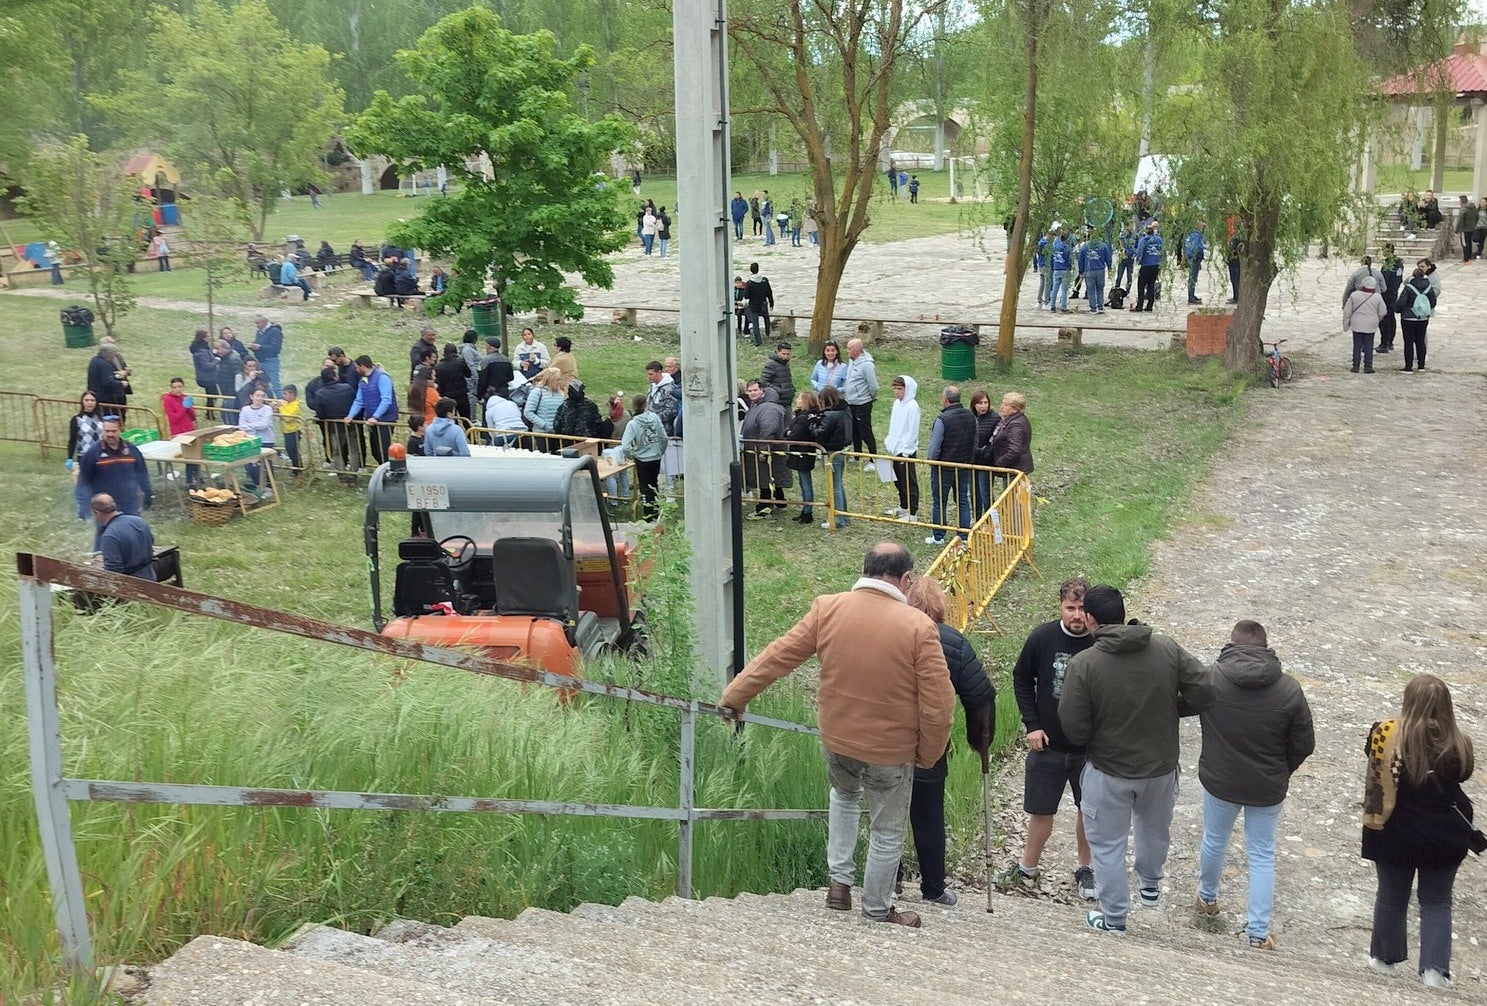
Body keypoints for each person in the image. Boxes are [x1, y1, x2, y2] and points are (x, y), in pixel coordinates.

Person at [718, 542, 954, 929]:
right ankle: (877, 908)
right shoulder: (918, 627)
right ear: (906, 579)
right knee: (887, 827)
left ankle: (838, 886)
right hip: (889, 750)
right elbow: (939, 704)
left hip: (837, 739)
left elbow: (778, 656)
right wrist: (927, 754)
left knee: (843, 798)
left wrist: (735, 696)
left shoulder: (827, 608)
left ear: (865, 569)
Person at [1057, 585, 1214, 934]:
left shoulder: (1084, 664)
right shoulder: (1166, 648)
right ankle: (1150, 885)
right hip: (1160, 767)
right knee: (1154, 827)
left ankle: (1114, 918)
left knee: (1108, 844)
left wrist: (1095, 735)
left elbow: (1073, 726)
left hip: (1109, 769)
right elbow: (1204, 688)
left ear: (1090, 618)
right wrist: (1173, 709)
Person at [1194, 619, 1315, 951]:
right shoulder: (1289, 689)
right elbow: (1304, 743)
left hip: (1220, 780)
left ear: (1230, 644)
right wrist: (1280, 769)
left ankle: (1207, 898)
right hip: (1267, 786)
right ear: (1266, 647)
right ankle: (1258, 932)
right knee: (1262, 854)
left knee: (1214, 840)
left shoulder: (1212, 678)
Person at [1362, 674, 1477, 989]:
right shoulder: (1458, 743)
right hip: (1443, 836)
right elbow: (1464, 774)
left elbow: (1371, 759)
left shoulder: (1384, 733)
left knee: (1391, 896)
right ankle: (1434, 971)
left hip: (1393, 832)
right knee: (1437, 901)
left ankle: (1383, 960)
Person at [999, 577, 1097, 898]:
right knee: (1041, 811)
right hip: (1047, 744)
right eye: (1071, 607)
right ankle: (1027, 869)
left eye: (1082, 608)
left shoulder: (1099, 643)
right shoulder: (1042, 637)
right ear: (1061, 606)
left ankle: (1086, 869)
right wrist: (1032, 724)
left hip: (1089, 749)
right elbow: (1022, 680)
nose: (1076, 615)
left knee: (1090, 810)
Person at [901, 573, 995, 906]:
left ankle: (890, 881)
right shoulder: (953, 642)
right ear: (941, 607)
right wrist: (979, 741)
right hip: (932, 742)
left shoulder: (893, 633)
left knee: (888, 813)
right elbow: (981, 694)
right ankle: (933, 888)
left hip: (886, 738)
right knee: (928, 815)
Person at [924, 385, 976, 546]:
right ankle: (964, 535)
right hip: (964, 466)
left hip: (943, 468)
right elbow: (975, 441)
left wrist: (931, 460)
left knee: (939, 501)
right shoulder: (971, 417)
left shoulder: (942, 420)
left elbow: (935, 447)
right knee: (963, 500)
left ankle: (938, 535)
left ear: (945, 399)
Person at [78, 416, 152, 516]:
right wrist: (84, 508)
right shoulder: (93, 453)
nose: (110, 434)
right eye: (107, 431)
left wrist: (148, 493)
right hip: (104, 506)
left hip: (129, 504)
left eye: (114, 431)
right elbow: (83, 481)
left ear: (120, 430)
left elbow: (142, 473)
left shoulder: (132, 450)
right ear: (102, 431)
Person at [740, 380, 787, 520]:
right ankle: (780, 501)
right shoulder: (756, 405)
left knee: (765, 478)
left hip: (766, 449)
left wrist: (763, 449)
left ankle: (764, 508)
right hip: (757, 448)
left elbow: (768, 429)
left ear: (762, 391)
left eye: (755, 390)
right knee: (770, 475)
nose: (752, 393)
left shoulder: (768, 408)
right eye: (750, 391)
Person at [620, 394, 667, 520]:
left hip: (642, 459)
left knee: (645, 488)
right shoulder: (655, 418)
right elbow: (663, 437)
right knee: (654, 484)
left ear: (633, 406)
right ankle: (656, 512)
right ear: (646, 404)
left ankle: (648, 515)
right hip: (655, 457)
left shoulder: (633, 424)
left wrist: (632, 455)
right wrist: (660, 450)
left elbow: (625, 446)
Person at [345, 355, 397, 464]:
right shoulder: (363, 381)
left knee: (383, 450)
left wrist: (375, 416)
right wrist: (350, 416)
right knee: (375, 451)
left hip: (385, 420)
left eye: (357, 367)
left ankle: (388, 472)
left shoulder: (383, 378)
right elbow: (359, 401)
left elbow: (386, 400)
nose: (356, 370)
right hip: (372, 421)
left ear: (362, 367)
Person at [90, 493, 156, 581]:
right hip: (151, 577)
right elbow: (150, 542)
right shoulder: (138, 521)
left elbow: (113, 570)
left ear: (96, 512)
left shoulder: (109, 536)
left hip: (132, 585)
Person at [882, 375, 921, 521]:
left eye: (900, 389)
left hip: (906, 451)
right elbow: (894, 425)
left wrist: (906, 451)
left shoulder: (913, 407)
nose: (897, 392)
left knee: (909, 481)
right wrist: (889, 441)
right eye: (895, 389)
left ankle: (913, 513)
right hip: (895, 448)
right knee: (898, 480)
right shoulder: (897, 404)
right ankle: (904, 505)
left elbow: (912, 431)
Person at [815, 385, 851, 528]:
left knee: (834, 486)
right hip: (843, 449)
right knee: (838, 484)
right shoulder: (845, 410)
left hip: (833, 451)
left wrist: (813, 423)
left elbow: (820, 433)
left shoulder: (830, 415)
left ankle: (838, 519)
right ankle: (844, 516)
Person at [785, 391, 823, 524]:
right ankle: (805, 510)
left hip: (803, 453)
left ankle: (807, 512)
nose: (797, 400)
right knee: (803, 482)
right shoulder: (808, 416)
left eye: (799, 399)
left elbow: (794, 434)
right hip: (803, 453)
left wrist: (788, 432)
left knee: (805, 483)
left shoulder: (803, 418)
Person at [312, 365, 359, 472]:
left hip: (334, 427)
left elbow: (320, 414)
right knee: (354, 451)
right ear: (335, 377)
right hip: (350, 424)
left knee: (337, 452)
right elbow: (355, 402)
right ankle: (353, 475)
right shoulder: (347, 388)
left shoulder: (320, 394)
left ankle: (342, 477)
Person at [66, 392, 105, 519]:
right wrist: (69, 458)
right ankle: (83, 513)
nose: (89, 403)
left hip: (100, 455)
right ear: (82, 402)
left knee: (100, 483)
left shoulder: (101, 418)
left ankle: (100, 509)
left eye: (92, 400)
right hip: (85, 456)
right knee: (85, 484)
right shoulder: (76, 419)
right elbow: (72, 440)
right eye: (87, 400)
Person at [1343, 275, 1387, 374]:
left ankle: (1355, 366)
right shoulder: (1377, 297)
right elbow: (1383, 311)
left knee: (1357, 345)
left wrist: (1346, 323)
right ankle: (1368, 366)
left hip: (1357, 323)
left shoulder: (1355, 295)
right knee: (1369, 345)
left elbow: (1347, 311)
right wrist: (1377, 319)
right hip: (1371, 323)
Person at [843, 338, 879, 459]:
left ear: (856, 350)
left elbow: (873, 386)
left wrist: (870, 397)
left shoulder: (867, 365)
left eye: (849, 348)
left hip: (862, 403)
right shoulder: (852, 361)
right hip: (851, 402)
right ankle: (857, 455)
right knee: (854, 431)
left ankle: (873, 458)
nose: (847, 351)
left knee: (865, 431)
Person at [237, 386, 277, 496]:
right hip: (251, 440)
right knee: (251, 463)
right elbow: (241, 426)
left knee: (267, 464)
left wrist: (249, 425)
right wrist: (253, 426)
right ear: (251, 397)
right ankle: (257, 484)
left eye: (262, 396)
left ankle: (270, 486)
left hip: (266, 439)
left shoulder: (267, 409)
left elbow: (264, 425)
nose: (260, 398)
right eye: (257, 395)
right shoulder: (245, 410)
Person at [1396, 265, 1436, 373]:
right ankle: (1421, 366)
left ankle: (1408, 367)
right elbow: (1433, 302)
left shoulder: (1409, 287)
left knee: (1408, 342)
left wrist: (1399, 310)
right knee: (1420, 341)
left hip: (1408, 318)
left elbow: (1401, 302)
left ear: (1413, 276)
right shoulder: (1429, 287)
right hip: (1423, 318)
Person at [990, 392, 1033, 482]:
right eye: (1002, 403)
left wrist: (1000, 462)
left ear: (1015, 409)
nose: (1001, 406)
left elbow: (1015, 450)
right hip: (1014, 468)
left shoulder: (1015, 425)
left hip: (1015, 470)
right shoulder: (1012, 420)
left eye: (1006, 405)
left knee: (1012, 495)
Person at [969, 389, 1000, 515]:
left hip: (986, 461)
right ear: (974, 405)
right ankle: (977, 519)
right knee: (974, 492)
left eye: (985, 402)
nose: (983, 406)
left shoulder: (995, 418)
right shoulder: (970, 417)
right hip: (971, 460)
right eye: (980, 403)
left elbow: (995, 440)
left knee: (985, 493)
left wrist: (986, 453)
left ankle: (991, 521)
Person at [523, 367, 568, 450]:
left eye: (560, 379)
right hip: (541, 434)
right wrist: (544, 425)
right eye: (557, 379)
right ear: (550, 379)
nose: (559, 382)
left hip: (557, 434)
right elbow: (528, 412)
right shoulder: (537, 392)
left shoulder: (561, 394)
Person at [1376, 243, 1404, 354]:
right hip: (1393, 293)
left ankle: (1385, 343)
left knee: (1385, 319)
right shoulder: (1398, 264)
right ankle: (1389, 341)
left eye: (1385, 250)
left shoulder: (1391, 265)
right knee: (1390, 317)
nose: (1383, 252)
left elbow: (1386, 280)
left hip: (1387, 294)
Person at [435, 343, 473, 420]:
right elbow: (468, 374)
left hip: (447, 396)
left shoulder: (439, 366)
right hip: (461, 394)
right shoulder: (460, 362)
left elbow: (439, 383)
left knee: (450, 419)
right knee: (466, 418)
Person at [86, 345, 131, 410]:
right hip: (106, 398)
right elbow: (107, 382)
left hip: (95, 394)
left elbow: (101, 377)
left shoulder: (94, 360)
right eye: (114, 354)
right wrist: (121, 383)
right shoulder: (105, 364)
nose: (114, 357)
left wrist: (116, 376)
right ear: (110, 353)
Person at [249, 315, 284, 395]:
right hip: (260, 361)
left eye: (258, 323)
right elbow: (259, 343)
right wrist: (253, 347)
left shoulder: (275, 332)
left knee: (275, 385)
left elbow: (276, 348)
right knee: (264, 385)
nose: (256, 325)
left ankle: (282, 404)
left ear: (265, 322)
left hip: (271, 361)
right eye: (255, 323)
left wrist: (260, 347)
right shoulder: (259, 332)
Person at [1132, 221, 1163, 313]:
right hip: (1156, 265)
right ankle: (1150, 305)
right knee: (1151, 285)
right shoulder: (1159, 240)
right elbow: (1162, 251)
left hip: (1146, 265)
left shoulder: (1144, 240)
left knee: (1141, 286)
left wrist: (1137, 261)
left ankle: (1139, 306)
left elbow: (1140, 252)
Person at [475, 336, 515, 404]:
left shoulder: (485, 361)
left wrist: (479, 396)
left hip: (490, 394)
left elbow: (482, 380)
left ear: (489, 347)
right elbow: (511, 377)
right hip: (504, 393)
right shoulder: (506, 360)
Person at [643, 361, 679, 436]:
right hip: (650, 428)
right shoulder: (652, 386)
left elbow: (672, 411)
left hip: (663, 430)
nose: (649, 377)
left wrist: (654, 418)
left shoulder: (669, 389)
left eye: (651, 374)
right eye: (648, 374)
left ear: (659, 372)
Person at [1081, 230, 1112, 314]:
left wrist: (1081, 271)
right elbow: (1108, 258)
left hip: (1089, 270)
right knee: (1100, 289)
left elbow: (1081, 259)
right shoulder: (1103, 246)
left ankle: (1093, 308)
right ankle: (1100, 306)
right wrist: (1109, 267)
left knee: (1090, 289)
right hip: (1100, 270)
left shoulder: (1085, 246)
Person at [744, 262, 774, 347]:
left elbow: (746, 295)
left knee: (755, 323)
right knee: (766, 318)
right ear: (758, 269)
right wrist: (771, 303)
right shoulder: (764, 280)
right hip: (763, 303)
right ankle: (768, 333)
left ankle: (758, 341)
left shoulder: (749, 283)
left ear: (751, 270)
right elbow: (769, 292)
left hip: (754, 305)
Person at [276, 385, 303, 475]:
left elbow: (288, 418)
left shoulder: (295, 406)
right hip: (287, 431)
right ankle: (297, 467)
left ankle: (297, 469)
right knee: (290, 450)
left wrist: (280, 407)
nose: (283, 396)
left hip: (293, 432)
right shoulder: (286, 404)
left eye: (285, 394)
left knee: (293, 451)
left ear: (292, 395)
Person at [1047, 226, 1072, 314]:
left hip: (1056, 269)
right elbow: (1069, 260)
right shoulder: (1068, 248)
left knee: (1054, 288)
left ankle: (1052, 305)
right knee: (1064, 289)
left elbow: (1051, 258)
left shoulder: (1055, 247)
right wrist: (1069, 267)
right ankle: (1063, 306)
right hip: (1065, 269)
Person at [1184, 221, 1206, 305]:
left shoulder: (1189, 235)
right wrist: (1200, 254)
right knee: (1193, 277)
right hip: (1195, 258)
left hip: (1190, 257)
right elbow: (1197, 247)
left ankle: (1192, 295)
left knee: (1192, 277)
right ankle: (1191, 297)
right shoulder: (1196, 235)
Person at [1455, 195, 1478, 263]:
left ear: (1461, 201)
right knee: (1469, 243)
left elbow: (1460, 220)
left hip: (1464, 229)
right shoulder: (1474, 208)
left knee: (1465, 244)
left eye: (1459, 200)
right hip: (1472, 228)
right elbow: (1477, 217)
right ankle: (1469, 257)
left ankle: (1466, 259)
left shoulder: (1463, 209)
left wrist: (1457, 230)